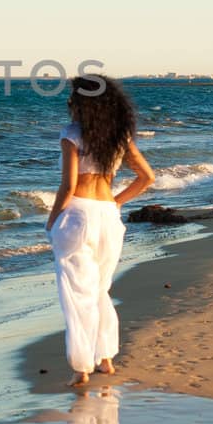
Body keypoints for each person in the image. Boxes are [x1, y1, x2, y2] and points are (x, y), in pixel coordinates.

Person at [46, 75, 156, 386]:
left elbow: (68, 186)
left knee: (77, 292)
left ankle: (81, 368)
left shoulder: (72, 135)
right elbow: (147, 177)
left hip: (78, 214)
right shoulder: (120, 138)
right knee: (99, 289)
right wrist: (117, 202)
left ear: (82, 103)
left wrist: (52, 219)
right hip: (108, 215)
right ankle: (105, 359)